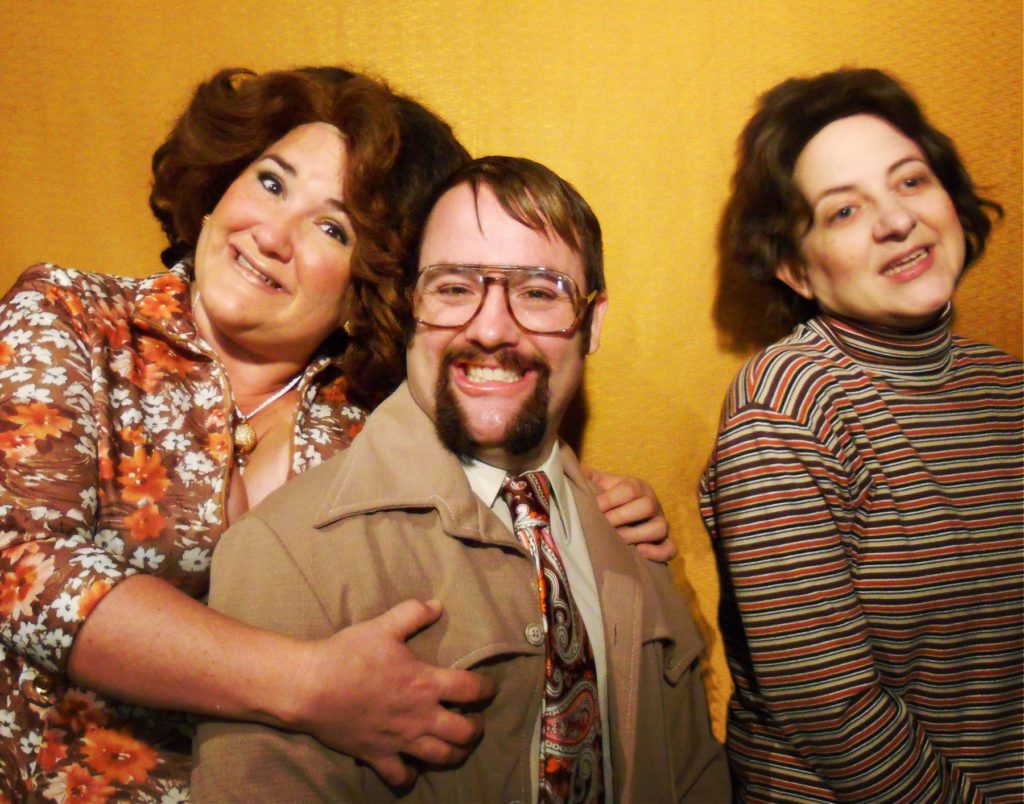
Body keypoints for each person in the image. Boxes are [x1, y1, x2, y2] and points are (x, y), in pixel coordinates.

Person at [0, 68, 670, 801]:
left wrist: (586, 504)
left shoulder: (379, 412)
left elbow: (497, 487)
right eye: (271, 182)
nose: (272, 234)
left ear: (373, 279)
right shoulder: (71, 317)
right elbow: (25, 569)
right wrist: (307, 683)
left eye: (332, 226)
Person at [191, 156, 730, 802]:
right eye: (454, 289)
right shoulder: (289, 552)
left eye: (539, 292)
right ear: (413, 308)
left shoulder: (630, 540)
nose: (493, 328)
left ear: (593, 322)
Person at [701, 67, 1023, 802]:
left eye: (911, 182)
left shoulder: (1009, 386)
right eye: (844, 211)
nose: (897, 220)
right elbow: (833, 714)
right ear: (795, 268)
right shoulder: (786, 407)